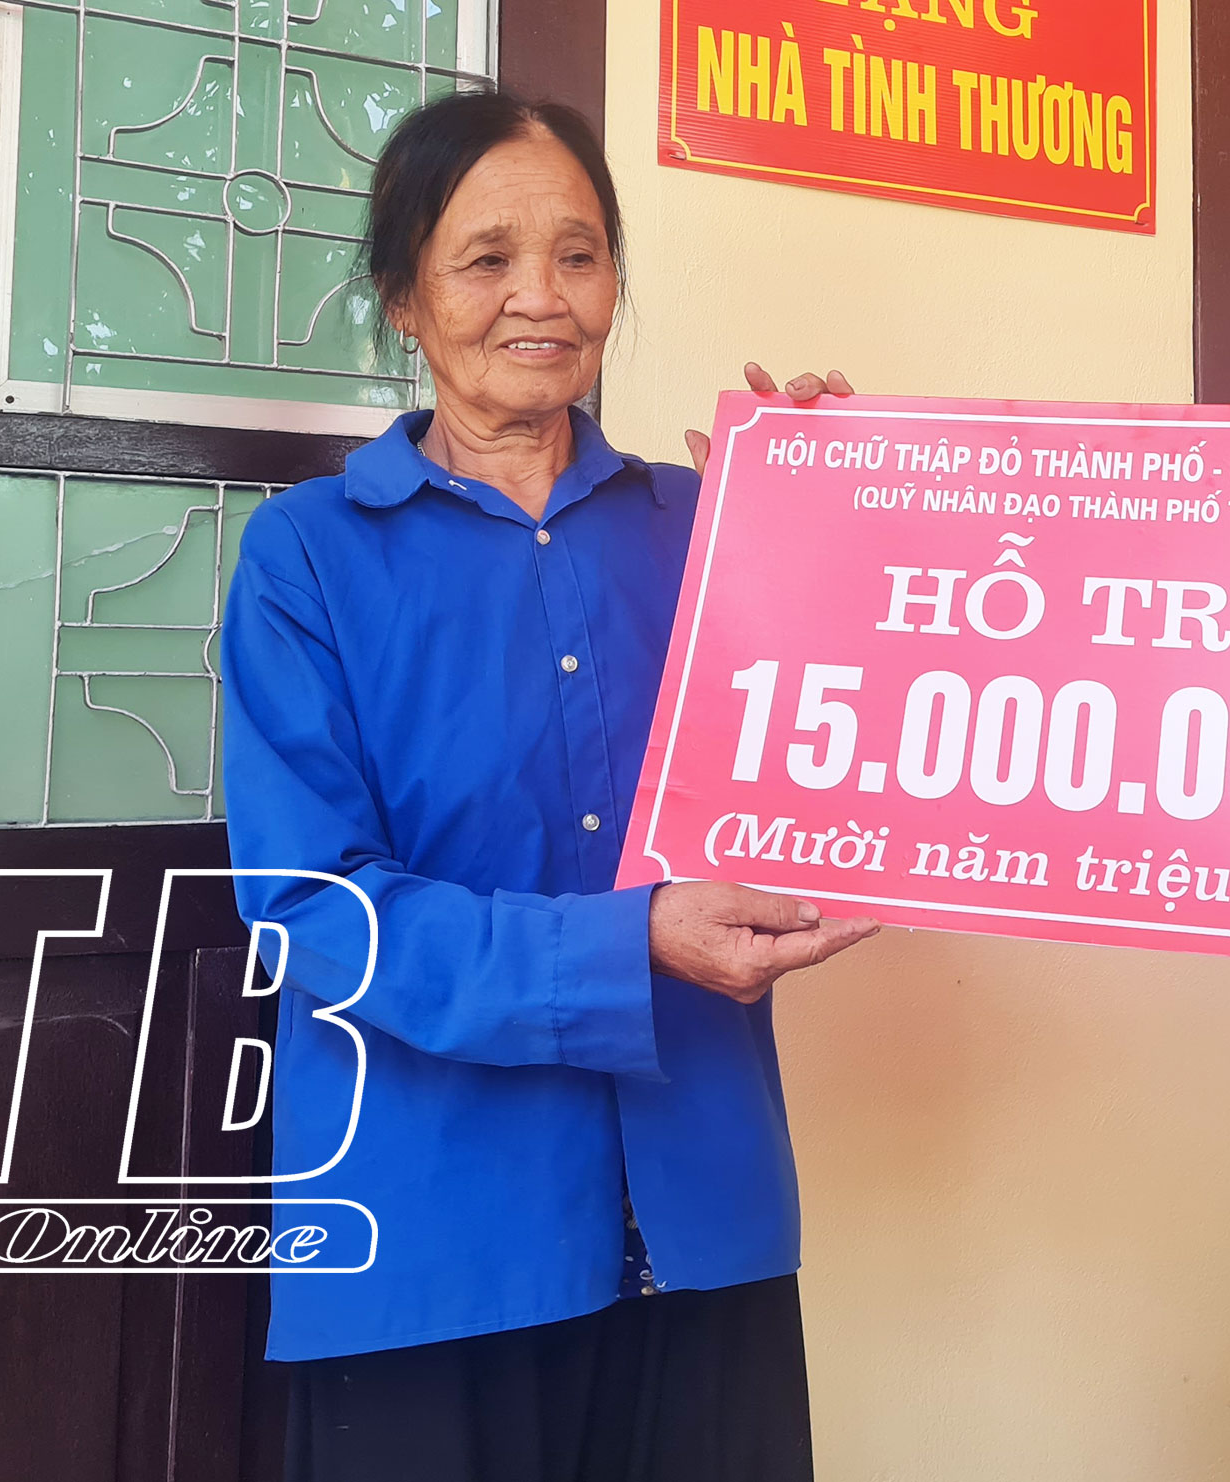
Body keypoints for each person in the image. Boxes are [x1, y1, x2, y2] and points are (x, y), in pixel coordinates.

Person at [219, 86, 872, 1482]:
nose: (542, 295)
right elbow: (314, 908)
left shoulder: (705, 526)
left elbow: (854, 767)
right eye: (487, 258)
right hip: (427, 1247)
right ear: (404, 297)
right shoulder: (307, 557)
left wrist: (828, 525)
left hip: (706, 1230)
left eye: (580, 254)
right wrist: (629, 945)